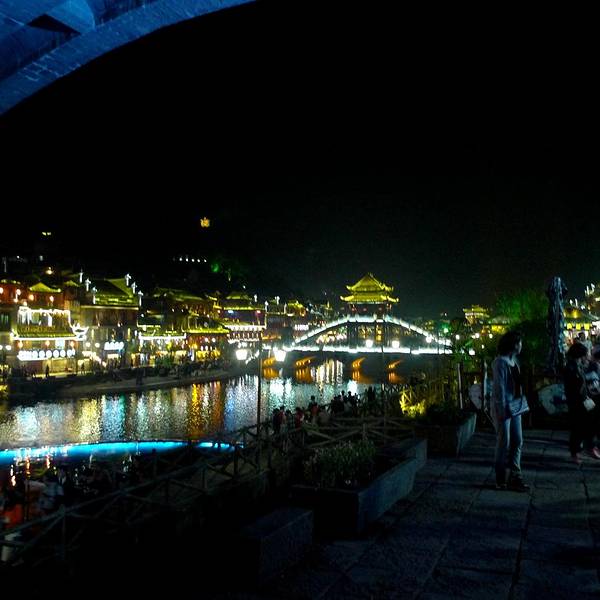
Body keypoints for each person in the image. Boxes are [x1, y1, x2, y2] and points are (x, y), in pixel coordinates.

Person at [491, 331, 530, 492]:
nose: (521, 346)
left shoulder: (514, 361)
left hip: (515, 406)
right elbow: (499, 389)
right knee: (504, 442)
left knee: (518, 440)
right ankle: (501, 478)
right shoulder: (500, 362)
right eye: (519, 343)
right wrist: (501, 411)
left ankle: (515, 475)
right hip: (504, 407)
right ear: (514, 345)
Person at [564, 343, 599, 463]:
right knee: (578, 427)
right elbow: (575, 387)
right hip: (578, 402)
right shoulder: (572, 368)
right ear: (581, 355)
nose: (588, 356)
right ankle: (577, 451)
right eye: (586, 354)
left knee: (588, 423)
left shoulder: (577, 366)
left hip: (583, 400)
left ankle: (586, 447)